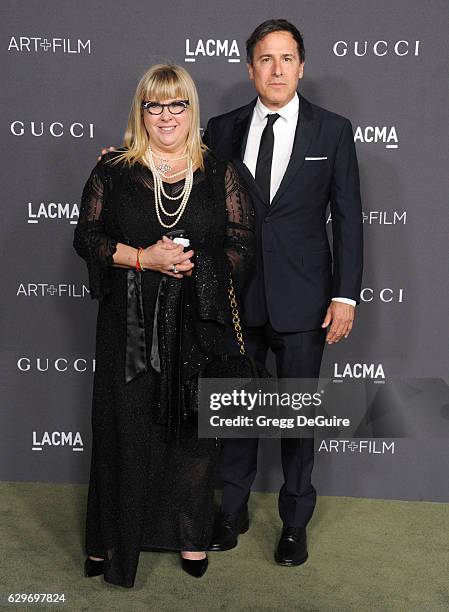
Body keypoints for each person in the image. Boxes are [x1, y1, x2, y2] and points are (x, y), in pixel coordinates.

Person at [73, 64, 254, 587]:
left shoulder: (219, 170)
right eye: (155, 105)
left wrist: (195, 268)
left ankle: (190, 535)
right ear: (141, 111)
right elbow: (87, 238)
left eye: (177, 105)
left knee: (191, 437)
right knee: (121, 432)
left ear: (191, 110)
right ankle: (110, 542)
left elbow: (242, 245)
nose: (166, 115)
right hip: (127, 326)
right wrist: (142, 258)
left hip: (195, 327)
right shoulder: (113, 170)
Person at [203, 19, 363, 566]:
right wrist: (128, 159)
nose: (276, 69)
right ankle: (232, 509)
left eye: (287, 58)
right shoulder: (220, 129)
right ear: (250, 69)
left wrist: (346, 296)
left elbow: (348, 219)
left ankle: (294, 521)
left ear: (302, 66)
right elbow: (183, 186)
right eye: (265, 59)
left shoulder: (333, 130)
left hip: (306, 300)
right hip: (234, 297)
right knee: (240, 411)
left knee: (296, 418)